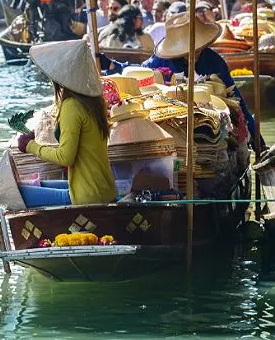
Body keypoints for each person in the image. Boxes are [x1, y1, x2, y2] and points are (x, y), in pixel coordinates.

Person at [105, 11, 256, 138]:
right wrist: (113, 65)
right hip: (174, 121)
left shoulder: (214, 60)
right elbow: (142, 71)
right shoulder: (161, 60)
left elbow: (236, 98)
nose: (192, 53)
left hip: (211, 120)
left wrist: (257, 140)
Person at [16, 40, 116, 207]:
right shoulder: (96, 101)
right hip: (103, 190)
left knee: (17, 192)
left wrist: (30, 146)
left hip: (87, 197)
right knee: (32, 185)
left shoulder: (72, 106)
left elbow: (65, 157)